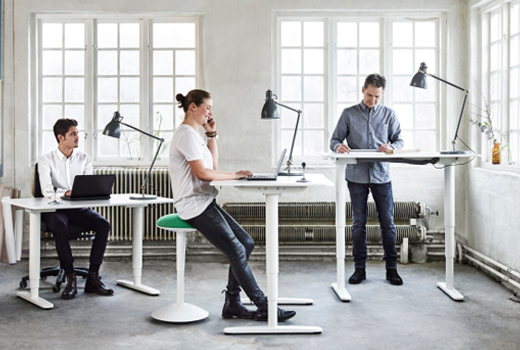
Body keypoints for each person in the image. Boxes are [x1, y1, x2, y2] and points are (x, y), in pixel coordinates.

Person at [169, 89, 296, 322]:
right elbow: (202, 174)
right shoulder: (185, 134)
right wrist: (235, 175)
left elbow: (212, 166)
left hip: (205, 201)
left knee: (246, 243)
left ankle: (233, 303)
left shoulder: (195, 135)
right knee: (237, 250)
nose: (210, 112)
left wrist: (211, 135)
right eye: (207, 107)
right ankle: (264, 305)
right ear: (192, 107)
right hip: (193, 205)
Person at [330, 74, 405, 286]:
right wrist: (338, 146)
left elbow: (399, 139)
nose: (373, 100)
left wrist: (392, 147)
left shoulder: (389, 115)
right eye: (370, 95)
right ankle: (359, 270)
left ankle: (392, 269)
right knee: (358, 224)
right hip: (356, 177)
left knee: (388, 224)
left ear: (382, 94)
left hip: (382, 175)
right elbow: (334, 140)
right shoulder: (348, 114)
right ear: (363, 90)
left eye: (377, 97)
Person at [38, 118, 114, 299]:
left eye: (77, 133)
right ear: (60, 137)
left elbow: (88, 187)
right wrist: (67, 192)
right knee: (59, 225)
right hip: (55, 209)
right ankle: (70, 277)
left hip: (78, 208)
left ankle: (93, 277)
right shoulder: (45, 160)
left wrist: (82, 194)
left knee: (103, 224)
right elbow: (47, 191)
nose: (77, 137)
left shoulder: (84, 159)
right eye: (73, 134)